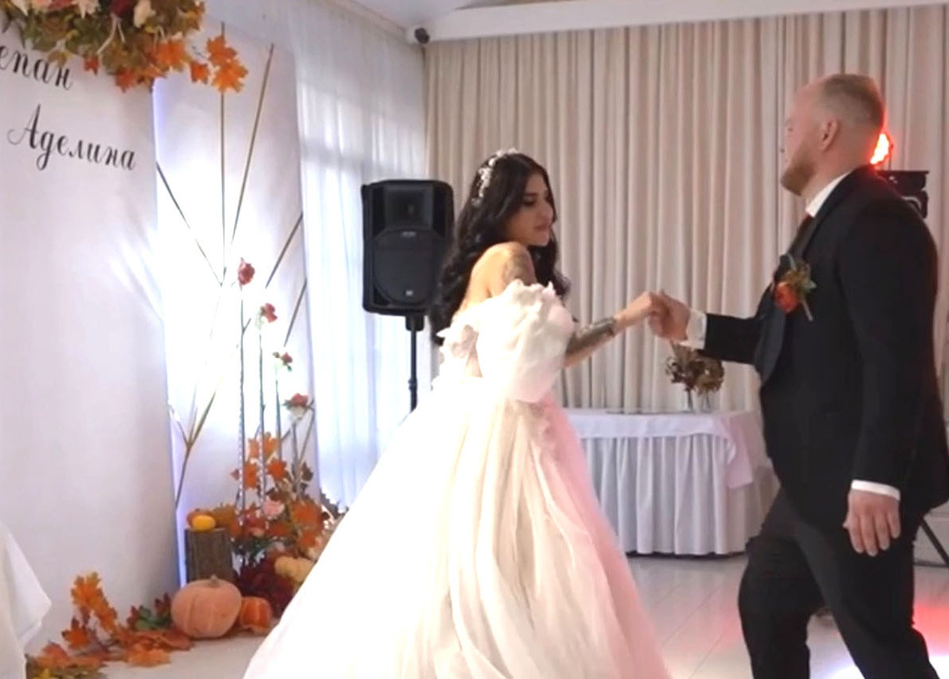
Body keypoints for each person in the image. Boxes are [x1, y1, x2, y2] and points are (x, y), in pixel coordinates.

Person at [241, 150, 671, 679]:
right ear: (500, 208)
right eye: (529, 201)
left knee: (451, 580)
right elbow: (533, 368)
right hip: (499, 433)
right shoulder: (511, 256)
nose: (546, 213)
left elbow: (526, 355)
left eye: (547, 199)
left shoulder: (480, 261)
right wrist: (627, 316)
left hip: (457, 422)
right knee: (509, 579)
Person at [652, 74, 949, 679]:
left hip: (854, 485)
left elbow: (898, 363)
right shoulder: (826, 221)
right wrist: (693, 325)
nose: (784, 137)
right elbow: (777, 337)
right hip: (812, 482)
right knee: (766, 605)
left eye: (792, 125)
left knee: (881, 646)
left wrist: (876, 482)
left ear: (826, 131)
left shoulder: (878, 220)